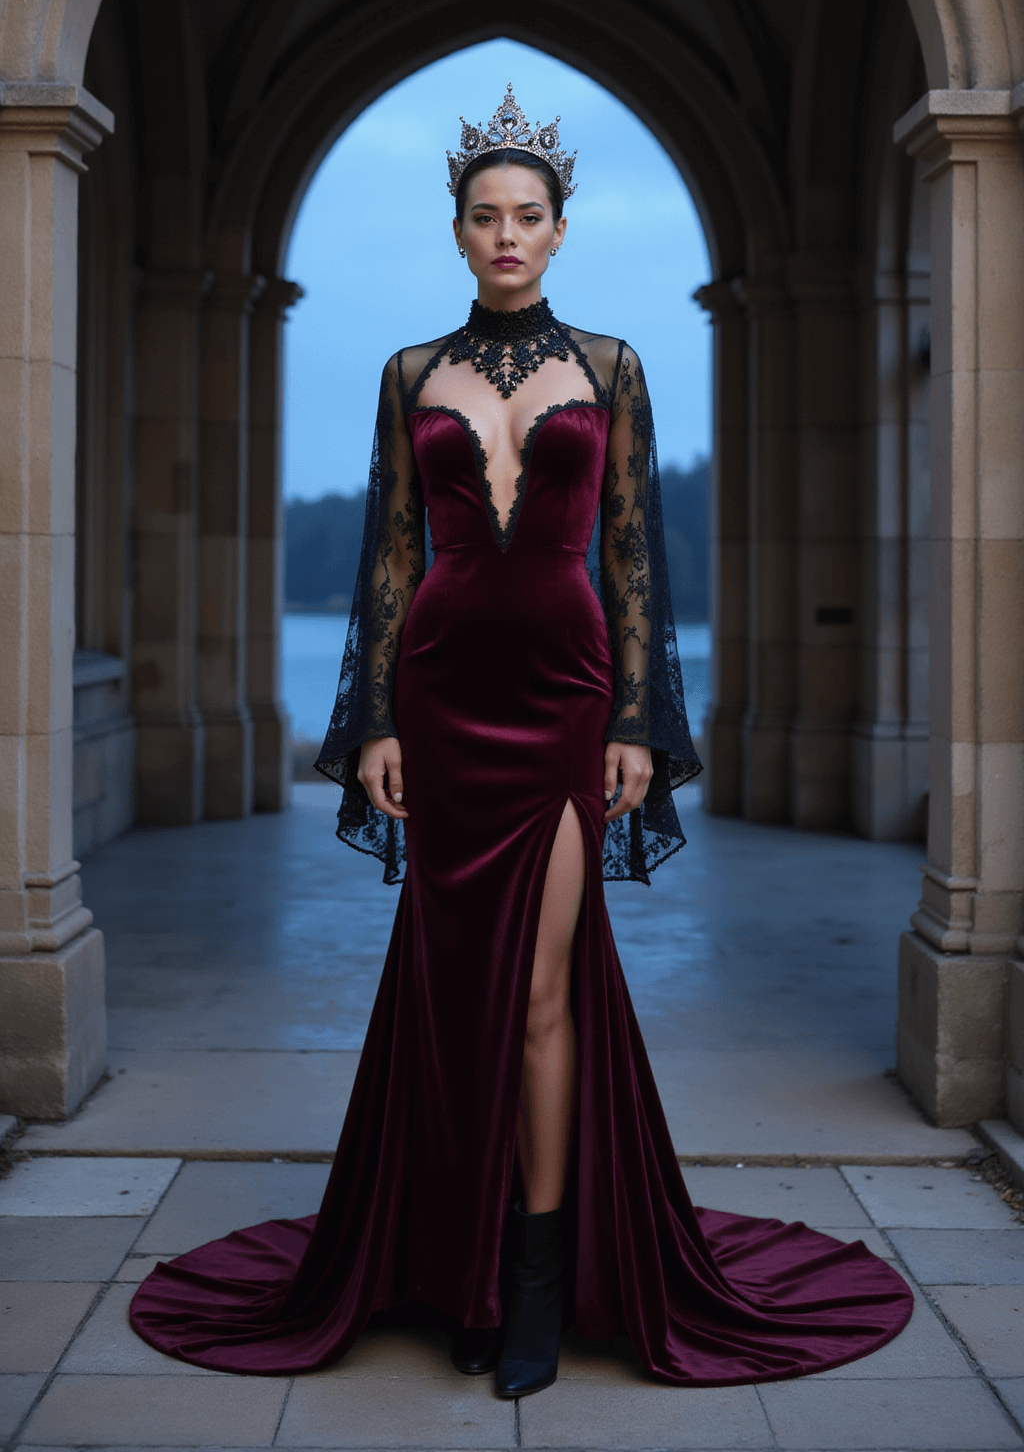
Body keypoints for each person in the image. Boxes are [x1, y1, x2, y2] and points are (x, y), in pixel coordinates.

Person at [130, 85, 912, 1390]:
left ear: (561, 231)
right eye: (485, 216)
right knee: (448, 986)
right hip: (439, 694)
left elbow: (634, 554)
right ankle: (455, 1259)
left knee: (547, 990)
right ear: (457, 231)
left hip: (561, 695)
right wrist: (374, 720)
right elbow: (389, 559)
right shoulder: (404, 374)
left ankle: (535, 1276)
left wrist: (636, 725)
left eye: (528, 217)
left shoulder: (611, 368)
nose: (507, 235)